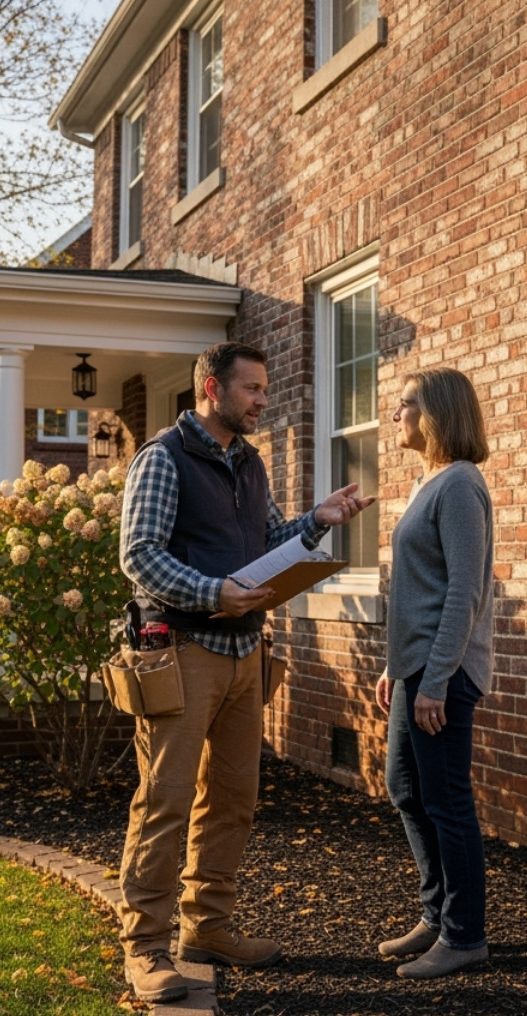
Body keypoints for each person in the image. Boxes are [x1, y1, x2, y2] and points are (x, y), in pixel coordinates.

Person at [117, 340, 374, 1003]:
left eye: (264, 390)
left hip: (244, 655)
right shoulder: (163, 459)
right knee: (165, 802)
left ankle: (206, 927)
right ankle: (145, 949)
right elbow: (139, 554)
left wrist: (316, 523)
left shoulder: (251, 464)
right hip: (180, 653)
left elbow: (263, 544)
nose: (264, 400)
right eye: (253, 389)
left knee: (232, 800)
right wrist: (212, 591)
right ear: (212, 389)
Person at [375, 367, 494, 979]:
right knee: (404, 787)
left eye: (406, 404)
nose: (396, 414)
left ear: (437, 414)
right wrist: (395, 669)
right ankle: (437, 915)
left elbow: (463, 593)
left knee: (446, 801)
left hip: (441, 674)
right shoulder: (430, 483)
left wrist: (436, 678)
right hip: (414, 671)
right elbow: (414, 591)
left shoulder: (460, 487)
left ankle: (465, 934)